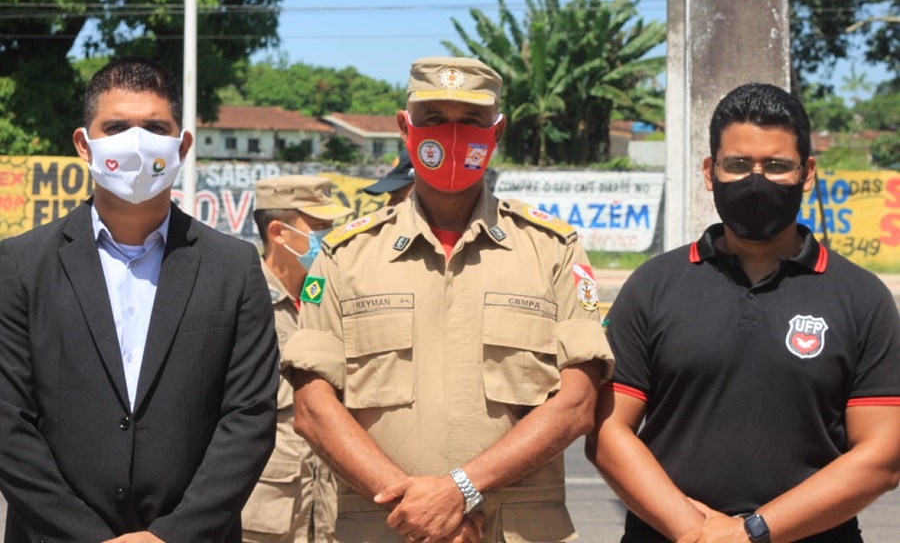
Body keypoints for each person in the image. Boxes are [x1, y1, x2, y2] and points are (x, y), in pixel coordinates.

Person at [280, 56, 614, 543]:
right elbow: (313, 408)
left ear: (496, 132)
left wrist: (459, 491)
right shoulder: (344, 255)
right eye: (435, 119)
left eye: (471, 122)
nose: (453, 135)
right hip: (385, 529)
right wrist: (419, 511)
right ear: (404, 126)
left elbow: (578, 403)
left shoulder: (552, 250)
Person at [587, 82, 900, 543]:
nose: (757, 181)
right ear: (711, 171)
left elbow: (881, 455)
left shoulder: (861, 297)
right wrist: (694, 530)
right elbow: (608, 431)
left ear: (807, 173)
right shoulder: (654, 286)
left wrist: (752, 532)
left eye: (776, 166)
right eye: (738, 165)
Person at [0, 57, 279, 542]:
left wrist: (170, 536)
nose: (135, 142)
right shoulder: (21, 265)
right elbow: (7, 423)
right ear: (84, 144)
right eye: (116, 127)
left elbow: (249, 418)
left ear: (182, 145)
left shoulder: (232, 267)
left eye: (154, 127)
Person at [243, 175, 352, 543]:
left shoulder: (324, 299)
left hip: (329, 513)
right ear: (278, 232)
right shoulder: (243, 302)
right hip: (265, 517)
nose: (330, 237)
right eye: (320, 228)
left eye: (332, 227)